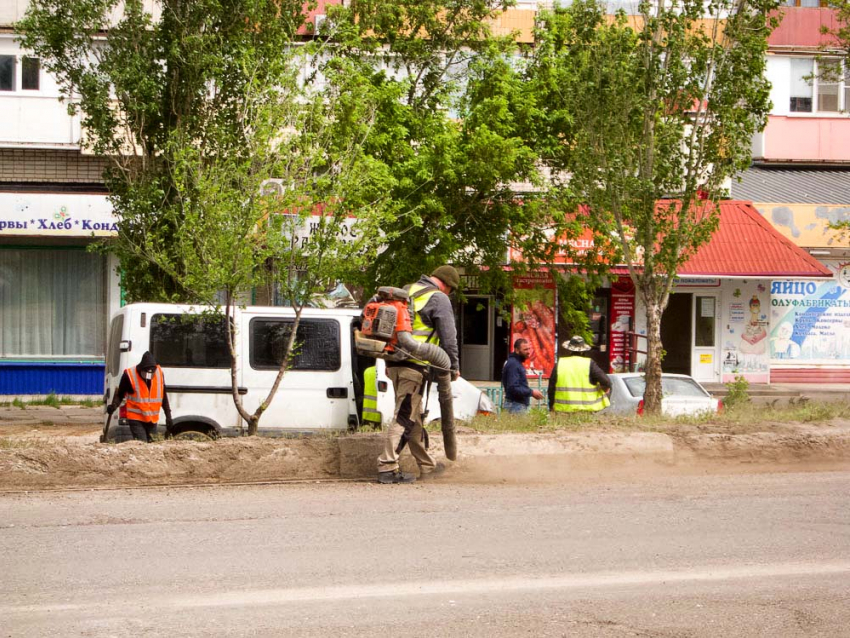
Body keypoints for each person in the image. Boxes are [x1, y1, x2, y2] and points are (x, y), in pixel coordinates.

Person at [377, 265, 460, 484]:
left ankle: (427, 466)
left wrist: (388, 360)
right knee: (404, 416)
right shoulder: (439, 298)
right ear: (447, 285)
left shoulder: (406, 290)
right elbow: (448, 337)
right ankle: (387, 466)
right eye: (451, 290)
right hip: (414, 366)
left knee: (412, 416)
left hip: (395, 363)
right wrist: (452, 366)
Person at [106, 351, 173, 442]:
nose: (149, 375)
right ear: (141, 368)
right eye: (146, 372)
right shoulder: (129, 375)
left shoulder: (159, 374)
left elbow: (163, 397)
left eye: (152, 372)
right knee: (142, 444)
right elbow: (120, 394)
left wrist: (168, 416)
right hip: (136, 418)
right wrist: (113, 406)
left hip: (152, 419)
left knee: (153, 445)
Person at [547, 336, 611, 413]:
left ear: (569, 350)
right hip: (587, 410)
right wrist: (605, 389)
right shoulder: (590, 363)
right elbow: (606, 382)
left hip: (563, 410)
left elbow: (551, 388)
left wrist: (551, 406)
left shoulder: (560, 363)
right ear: (583, 351)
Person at [501, 338, 544, 414]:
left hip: (516, 404)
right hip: (515, 406)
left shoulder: (516, 363)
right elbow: (513, 387)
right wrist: (531, 392)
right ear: (517, 350)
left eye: (529, 349)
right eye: (525, 350)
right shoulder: (514, 364)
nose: (528, 352)